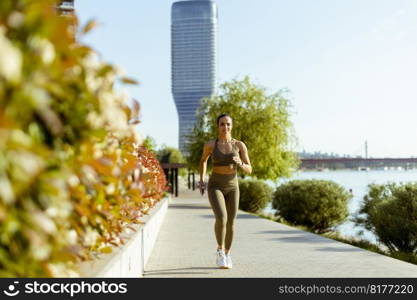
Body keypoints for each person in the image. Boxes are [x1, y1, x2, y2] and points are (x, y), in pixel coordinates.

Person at [199, 113, 252, 269]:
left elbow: (249, 169)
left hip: (233, 186)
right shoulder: (210, 145)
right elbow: (203, 161)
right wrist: (202, 180)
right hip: (215, 185)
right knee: (222, 218)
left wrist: (241, 164)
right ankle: (220, 251)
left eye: (228, 124)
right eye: (222, 124)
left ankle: (228, 253)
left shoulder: (240, 145)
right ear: (218, 126)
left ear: (232, 126)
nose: (225, 127)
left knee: (231, 222)